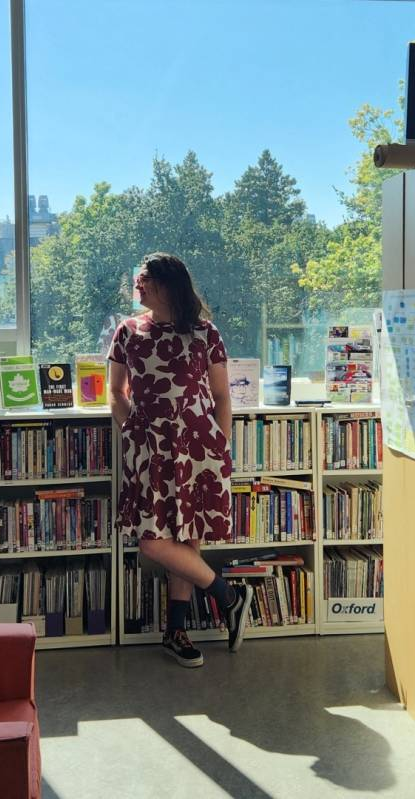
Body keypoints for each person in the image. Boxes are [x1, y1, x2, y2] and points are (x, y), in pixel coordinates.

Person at [107, 252, 249, 667]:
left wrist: (219, 447)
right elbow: (115, 392)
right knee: (153, 541)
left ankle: (176, 631)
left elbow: (222, 397)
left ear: (169, 284)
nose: (138, 285)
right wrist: (131, 430)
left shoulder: (205, 333)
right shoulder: (128, 331)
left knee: (186, 538)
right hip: (148, 448)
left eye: (145, 278)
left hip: (198, 449)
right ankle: (229, 596)